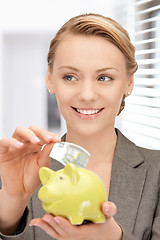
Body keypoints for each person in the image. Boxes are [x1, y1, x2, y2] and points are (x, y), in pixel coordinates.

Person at [0, 13, 160, 240]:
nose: (86, 95)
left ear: (129, 83)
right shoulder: (13, 175)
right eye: (70, 77)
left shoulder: (157, 175)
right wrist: (11, 207)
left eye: (104, 78)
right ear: (50, 79)